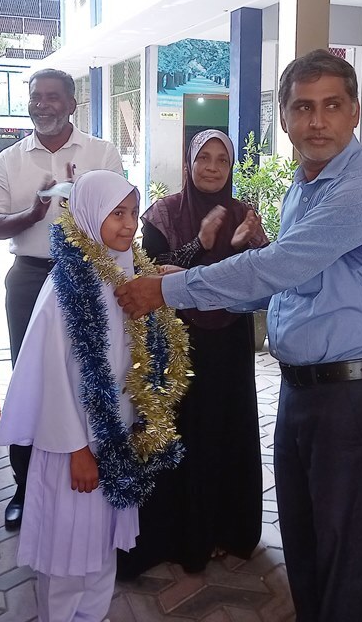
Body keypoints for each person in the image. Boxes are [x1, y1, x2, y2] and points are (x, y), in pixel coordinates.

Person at [116, 49, 362, 622]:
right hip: (303, 387)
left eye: (331, 106)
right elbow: (288, 286)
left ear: (355, 112)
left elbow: (277, 266)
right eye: (302, 108)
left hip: (351, 395)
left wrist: (170, 290)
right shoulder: (305, 186)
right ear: (284, 117)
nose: (316, 122)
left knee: (344, 549)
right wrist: (193, 285)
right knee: (303, 536)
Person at [0, 170, 190, 621]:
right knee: (66, 556)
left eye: (134, 213)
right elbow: (51, 378)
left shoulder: (130, 276)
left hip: (115, 439)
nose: (130, 224)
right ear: (88, 214)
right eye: (116, 213)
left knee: (101, 549)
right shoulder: (65, 287)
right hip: (73, 446)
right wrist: (78, 450)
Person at [117, 130, 267, 579]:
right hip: (177, 340)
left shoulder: (242, 213)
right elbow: (152, 272)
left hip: (229, 341)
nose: (213, 167)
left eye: (222, 159)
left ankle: (224, 529)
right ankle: (178, 534)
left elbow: (262, 276)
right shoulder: (162, 214)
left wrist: (250, 244)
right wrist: (200, 243)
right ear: (189, 163)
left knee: (223, 427)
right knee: (180, 430)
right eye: (205, 158)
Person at [0, 67, 124, 530]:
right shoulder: (10, 158)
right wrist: (35, 210)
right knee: (31, 377)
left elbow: (119, 213)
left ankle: (94, 469)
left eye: (52, 96)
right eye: (35, 97)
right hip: (30, 277)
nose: (42, 104)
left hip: (89, 276)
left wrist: (84, 202)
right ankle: (25, 487)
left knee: (90, 373)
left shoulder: (101, 152)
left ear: (72, 104)